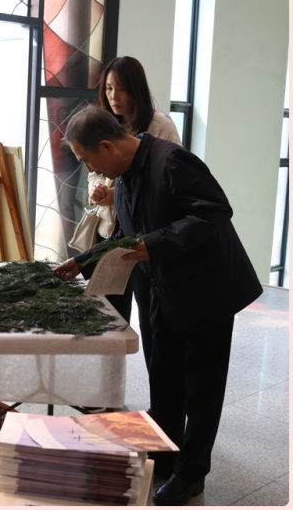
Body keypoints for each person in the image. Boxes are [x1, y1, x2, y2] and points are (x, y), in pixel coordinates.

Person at [53, 106, 262, 506]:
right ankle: (165, 451)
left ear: (106, 146)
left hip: (206, 291)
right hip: (163, 288)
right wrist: (83, 260)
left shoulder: (171, 161)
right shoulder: (125, 175)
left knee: (202, 385)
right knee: (163, 375)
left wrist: (155, 243)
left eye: (87, 159)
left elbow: (214, 211)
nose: (89, 169)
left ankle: (192, 473)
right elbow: (125, 233)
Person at [92, 56, 181, 370]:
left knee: (151, 321)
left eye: (122, 89)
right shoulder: (104, 123)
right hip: (111, 233)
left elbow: (169, 182)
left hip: (145, 241)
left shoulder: (160, 127)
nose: (114, 97)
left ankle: (159, 389)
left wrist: (116, 195)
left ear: (137, 90)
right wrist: (97, 188)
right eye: (109, 88)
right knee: (109, 319)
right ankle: (107, 384)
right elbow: (94, 169)